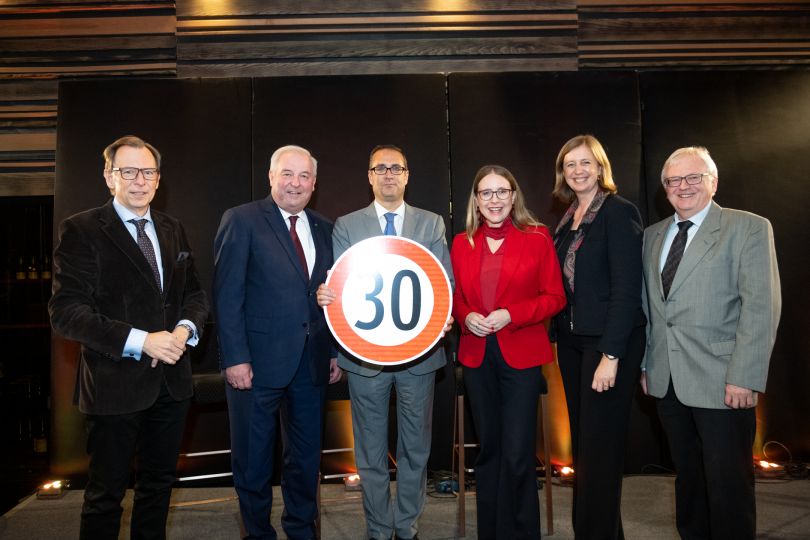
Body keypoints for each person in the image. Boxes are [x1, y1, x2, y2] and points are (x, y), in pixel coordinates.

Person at [49, 135, 209, 539]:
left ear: (159, 179)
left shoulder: (172, 228)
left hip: (171, 386)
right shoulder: (82, 230)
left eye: (149, 172)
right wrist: (143, 340)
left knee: (157, 491)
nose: (140, 180)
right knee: (105, 497)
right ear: (109, 176)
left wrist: (184, 331)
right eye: (128, 171)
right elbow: (67, 313)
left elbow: (194, 295)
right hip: (113, 386)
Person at [641, 146, 781, 539]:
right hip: (667, 381)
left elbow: (761, 307)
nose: (682, 187)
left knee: (728, 484)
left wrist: (745, 377)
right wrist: (647, 366)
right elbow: (650, 309)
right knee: (687, 479)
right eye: (673, 180)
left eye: (693, 178)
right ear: (664, 188)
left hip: (724, 382)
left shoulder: (748, 228)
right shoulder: (653, 235)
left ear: (713, 182)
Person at [316, 144, 453, 540]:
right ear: (370, 176)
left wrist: (445, 316)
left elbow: (444, 282)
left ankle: (406, 527)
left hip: (420, 355)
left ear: (407, 175)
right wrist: (327, 295)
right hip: (364, 358)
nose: (389, 174)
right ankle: (378, 529)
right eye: (381, 168)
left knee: (416, 448)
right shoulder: (346, 224)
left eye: (397, 168)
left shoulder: (431, 223)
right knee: (370, 452)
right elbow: (340, 285)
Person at [214, 145, 341, 540]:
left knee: (304, 460)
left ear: (314, 184)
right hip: (256, 364)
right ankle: (257, 534)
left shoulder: (325, 226)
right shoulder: (242, 219)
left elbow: (331, 292)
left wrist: (334, 352)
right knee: (253, 462)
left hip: (312, 363)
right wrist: (235, 358)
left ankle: (301, 531)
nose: (295, 183)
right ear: (271, 177)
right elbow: (226, 294)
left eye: (304, 177)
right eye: (288, 174)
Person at [450, 164, 565, 539]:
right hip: (477, 356)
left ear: (514, 197)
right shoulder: (461, 242)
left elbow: (555, 298)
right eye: (487, 193)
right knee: (490, 452)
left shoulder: (537, 238)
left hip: (523, 357)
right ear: (477, 201)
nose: (495, 199)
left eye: (502, 192)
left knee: (517, 454)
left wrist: (509, 315)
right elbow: (455, 299)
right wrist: (467, 318)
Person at [550, 135, 646, 539]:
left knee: (602, 450)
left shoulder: (619, 212)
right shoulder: (568, 216)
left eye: (585, 162)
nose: (578, 170)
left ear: (601, 167)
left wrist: (611, 354)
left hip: (606, 345)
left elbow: (627, 288)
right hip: (573, 344)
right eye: (570, 164)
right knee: (586, 449)